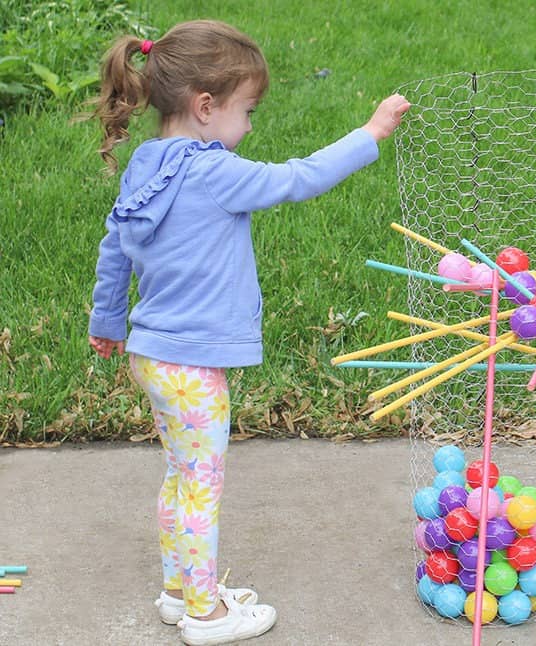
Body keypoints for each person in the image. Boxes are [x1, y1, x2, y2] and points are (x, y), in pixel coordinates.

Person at [86, 19, 410, 645]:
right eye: (248, 110)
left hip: (153, 355)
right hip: (192, 364)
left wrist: (107, 321)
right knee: (201, 483)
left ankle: (180, 592)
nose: (251, 126)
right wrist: (370, 133)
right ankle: (205, 614)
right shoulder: (213, 171)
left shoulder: (146, 165)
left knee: (182, 475)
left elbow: (113, 249)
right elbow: (296, 178)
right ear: (206, 107)